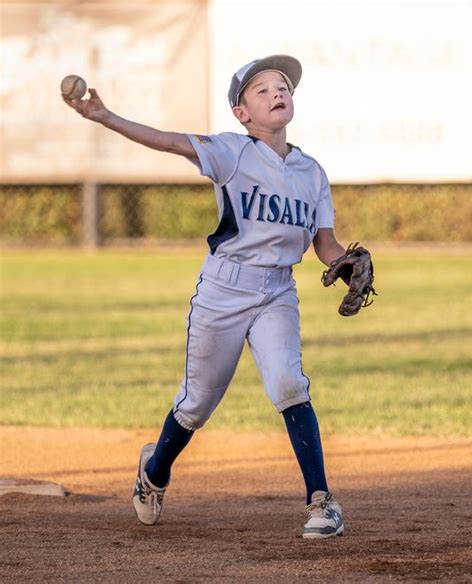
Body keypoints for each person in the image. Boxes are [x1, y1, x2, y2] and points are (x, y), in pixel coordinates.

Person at [64, 55, 347, 539]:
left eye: (283, 87)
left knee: (288, 385)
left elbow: (325, 246)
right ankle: (154, 471)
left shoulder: (311, 172)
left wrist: (347, 265)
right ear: (241, 113)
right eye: (262, 90)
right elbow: (169, 141)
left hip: (278, 290)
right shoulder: (231, 152)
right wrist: (103, 116)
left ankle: (321, 500)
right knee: (196, 405)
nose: (277, 93)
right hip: (224, 289)